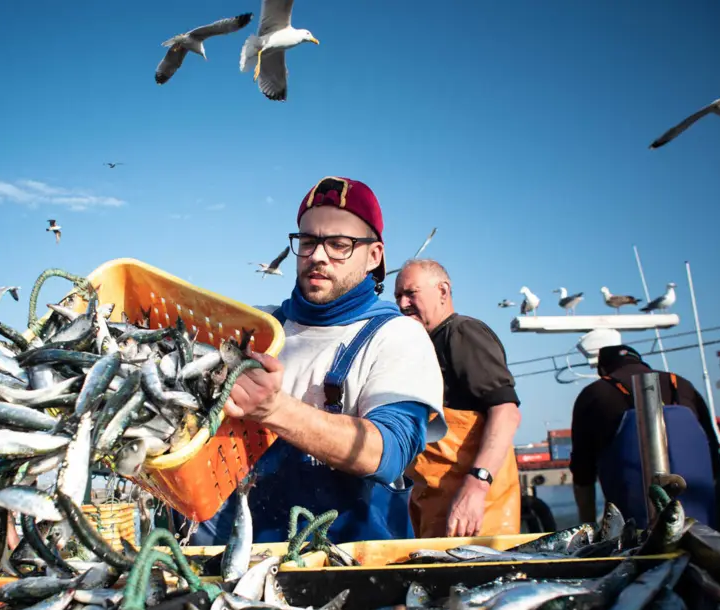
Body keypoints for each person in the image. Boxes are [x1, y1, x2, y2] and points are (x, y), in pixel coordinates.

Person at [197, 176, 446, 544]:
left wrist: (273, 409)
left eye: (339, 245)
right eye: (309, 241)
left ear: (374, 256)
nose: (317, 255)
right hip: (233, 564)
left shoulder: (397, 337)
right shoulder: (253, 328)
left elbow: (387, 451)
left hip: (347, 572)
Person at [393, 260, 522, 538]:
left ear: (443, 291)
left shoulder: (462, 333)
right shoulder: (422, 346)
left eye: (411, 293)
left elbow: (506, 412)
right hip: (435, 507)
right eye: (397, 296)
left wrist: (477, 486)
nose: (402, 304)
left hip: (476, 514)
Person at [569, 344, 720, 528]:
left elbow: (583, 475)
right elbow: (714, 454)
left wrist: (588, 527)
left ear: (602, 370)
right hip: (702, 520)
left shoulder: (594, 393)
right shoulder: (681, 384)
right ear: (641, 362)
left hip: (635, 527)